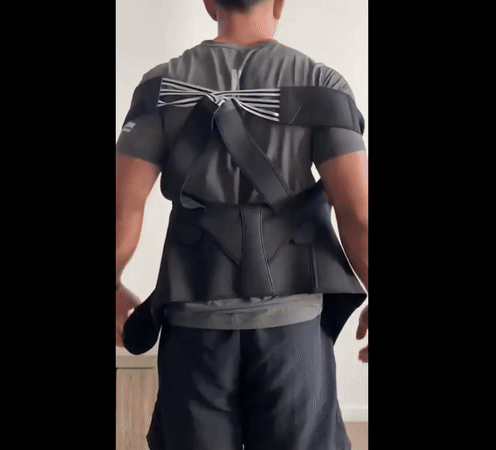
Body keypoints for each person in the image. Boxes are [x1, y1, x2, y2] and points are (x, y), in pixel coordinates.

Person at [116, 0, 369, 448]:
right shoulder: (320, 84)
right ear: (279, 2)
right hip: (293, 333)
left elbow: (123, 208)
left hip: (194, 331)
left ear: (209, 3)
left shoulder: (160, 87)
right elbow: (358, 214)